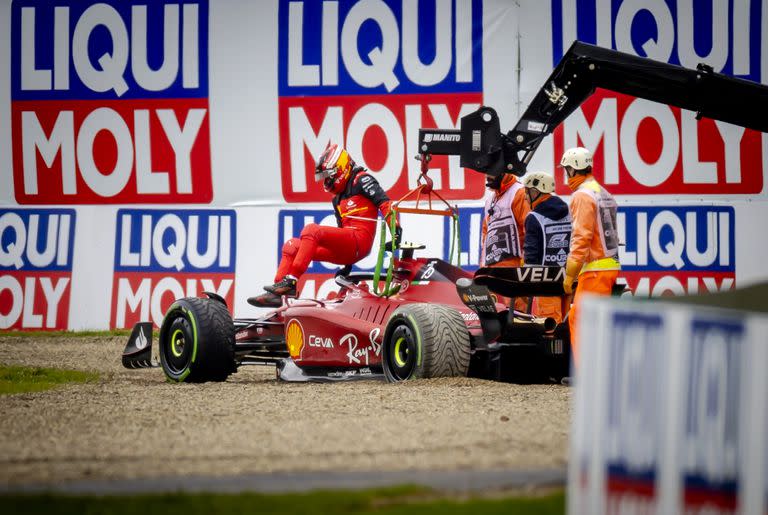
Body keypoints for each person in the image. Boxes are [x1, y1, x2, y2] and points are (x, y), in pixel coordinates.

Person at [248, 142, 400, 307]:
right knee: (291, 246)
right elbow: (342, 234)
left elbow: (385, 204)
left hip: (360, 241)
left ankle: (290, 282)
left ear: (340, 169)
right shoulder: (337, 199)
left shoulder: (362, 180)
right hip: (349, 247)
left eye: (328, 176)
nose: (326, 181)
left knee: (311, 230)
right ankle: (277, 296)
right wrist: (347, 267)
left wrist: (396, 231)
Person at [559, 147, 620, 365]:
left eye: (567, 170)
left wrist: (569, 275)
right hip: (609, 266)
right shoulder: (602, 192)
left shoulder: (582, 196)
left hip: (595, 269)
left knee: (581, 319)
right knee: (597, 321)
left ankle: (587, 373)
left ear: (574, 170)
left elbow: (581, 238)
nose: (566, 177)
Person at [521, 171, 572, 323]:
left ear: (535, 191)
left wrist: (528, 283)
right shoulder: (569, 210)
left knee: (549, 328)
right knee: (569, 327)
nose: (525, 196)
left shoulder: (533, 217)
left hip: (545, 282)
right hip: (568, 278)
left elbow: (531, 254)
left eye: (527, 192)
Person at [481, 172, 530, 313]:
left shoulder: (519, 193)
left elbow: (530, 230)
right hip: (494, 271)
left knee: (518, 315)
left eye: (490, 172)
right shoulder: (490, 200)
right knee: (498, 314)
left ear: (503, 172)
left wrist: (527, 263)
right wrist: (483, 266)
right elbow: (486, 234)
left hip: (515, 269)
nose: (487, 175)